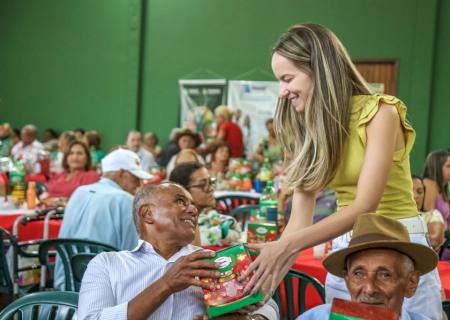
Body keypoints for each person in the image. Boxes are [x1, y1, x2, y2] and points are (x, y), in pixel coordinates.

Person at [240, 23, 443, 319]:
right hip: (347, 252)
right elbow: (299, 223)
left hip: (400, 250)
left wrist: (283, 246)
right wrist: (261, 284)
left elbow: (365, 205)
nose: (282, 92)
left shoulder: (380, 113)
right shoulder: (309, 128)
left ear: (318, 72)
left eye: (287, 79)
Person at [78, 182, 279, 320]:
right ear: (148, 214)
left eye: (193, 205)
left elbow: (268, 305)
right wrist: (167, 284)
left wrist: (251, 318)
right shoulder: (107, 264)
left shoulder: (213, 261)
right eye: (181, 201)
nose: (193, 210)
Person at [299, 213, 437, 319]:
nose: (370, 289)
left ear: (411, 283)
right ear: (347, 280)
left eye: (385, 275)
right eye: (359, 274)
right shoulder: (317, 317)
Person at [54, 148, 151, 290]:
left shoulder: (79, 192)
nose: (139, 184)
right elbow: (135, 257)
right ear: (121, 174)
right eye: (136, 178)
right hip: (107, 292)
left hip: (67, 286)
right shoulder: (126, 200)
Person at [169, 162, 242, 247]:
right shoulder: (180, 227)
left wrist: (228, 224)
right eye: (203, 185)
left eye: (211, 182)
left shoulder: (199, 217)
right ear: (183, 191)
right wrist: (221, 233)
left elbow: (227, 223)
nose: (211, 188)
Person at [412, 175, 445, 252]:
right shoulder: (394, 216)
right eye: (410, 191)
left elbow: (434, 240)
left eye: (420, 192)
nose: (415, 196)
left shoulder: (432, 215)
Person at [422, 150, 450, 229]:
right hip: (436, 236)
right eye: (448, 166)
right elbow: (429, 217)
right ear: (437, 167)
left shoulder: (444, 187)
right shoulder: (430, 184)